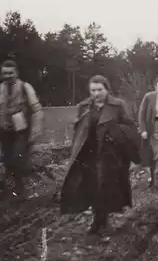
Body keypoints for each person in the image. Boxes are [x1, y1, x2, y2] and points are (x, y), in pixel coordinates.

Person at [60, 75, 140, 235]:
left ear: (107, 89)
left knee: (107, 186)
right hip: (89, 153)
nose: (96, 93)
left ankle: (107, 220)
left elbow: (129, 126)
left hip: (111, 153)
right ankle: (98, 220)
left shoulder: (117, 105)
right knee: (92, 186)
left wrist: (116, 133)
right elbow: (79, 129)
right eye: (93, 90)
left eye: (100, 90)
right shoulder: (84, 107)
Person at [0, 59, 43, 199]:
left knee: (17, 159)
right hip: (3, 131)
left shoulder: (25, 87)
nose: (7, 76)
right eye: (4, 73)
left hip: (20, 131)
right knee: (6, 161)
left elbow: (37, 110)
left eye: (10, 73)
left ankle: (21, 190)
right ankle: (9, 190)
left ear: (16, 73)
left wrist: (34, 133)